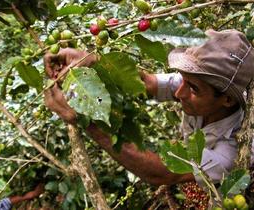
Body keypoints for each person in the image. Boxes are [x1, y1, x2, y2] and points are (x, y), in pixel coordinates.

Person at [44, 29, 254, 187]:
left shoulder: (235, 149)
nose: (179, 93)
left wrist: (86, 121)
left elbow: (163, 173)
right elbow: (146, 82)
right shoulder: (198, 85)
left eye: (192, 88)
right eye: (182, 79)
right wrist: (89, 59)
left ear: (227, 100)